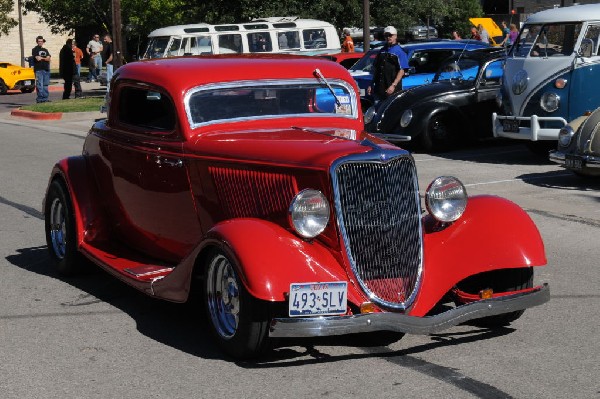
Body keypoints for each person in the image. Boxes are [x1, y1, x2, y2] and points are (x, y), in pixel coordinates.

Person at [368, 26, 409, 101]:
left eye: (390, 35)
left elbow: (402, 70)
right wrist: (371, 84)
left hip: (392, 90)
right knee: (378, 110)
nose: (388, 37)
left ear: (395, 36)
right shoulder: (382, 51)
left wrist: (393, 85)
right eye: (386, 35)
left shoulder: (399, 52)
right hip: (379, 89)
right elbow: (376, 69)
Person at [32, 35, 51, 103]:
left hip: (46, 69)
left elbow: (49, 58)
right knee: (39, 84)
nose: (40, 42)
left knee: (45, 84)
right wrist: (45, 58)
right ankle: (40, 99)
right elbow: (37, 58)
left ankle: (45, 98)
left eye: (42, 41)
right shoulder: (34, 49)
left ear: (43, 42)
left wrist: (42, 58)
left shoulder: (45, 50)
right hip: (38, 69)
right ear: (37, 42)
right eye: (39, 41)